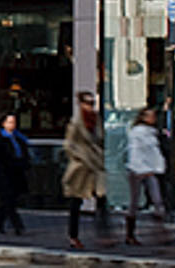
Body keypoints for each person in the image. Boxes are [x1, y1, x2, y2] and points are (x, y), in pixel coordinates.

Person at [64, 90, 110, 247]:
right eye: (88, 103)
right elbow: (69, 144)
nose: (91, 106)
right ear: (81, 104)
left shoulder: (97, 120)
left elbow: (101, 139)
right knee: (76, 202)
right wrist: (79, 157)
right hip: (81, 167)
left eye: (93, 103)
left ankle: (103, 234)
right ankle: (73, 236)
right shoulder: (75, 122)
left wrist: (100, 155)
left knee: (102, 198)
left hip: (96, 165)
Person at [125, 104, 168, 242]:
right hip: (138, 170)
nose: (153, 118)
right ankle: (130, 233)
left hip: (149, 170)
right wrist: (140, 168)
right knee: (135, 201)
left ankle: (160, 230)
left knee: (157, 199)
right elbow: (136, 152)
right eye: (150, 116)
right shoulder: (138, 133)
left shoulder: (152, 133)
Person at [0, 112, 31, 235]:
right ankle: (18, 225)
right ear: (3, 124)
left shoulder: (19, 138)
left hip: (17, 172)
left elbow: (24, 152)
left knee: (10, 200)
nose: (12, 125)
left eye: (14, 122)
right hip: (5, 173)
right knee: (8, 199)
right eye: (9, 122)